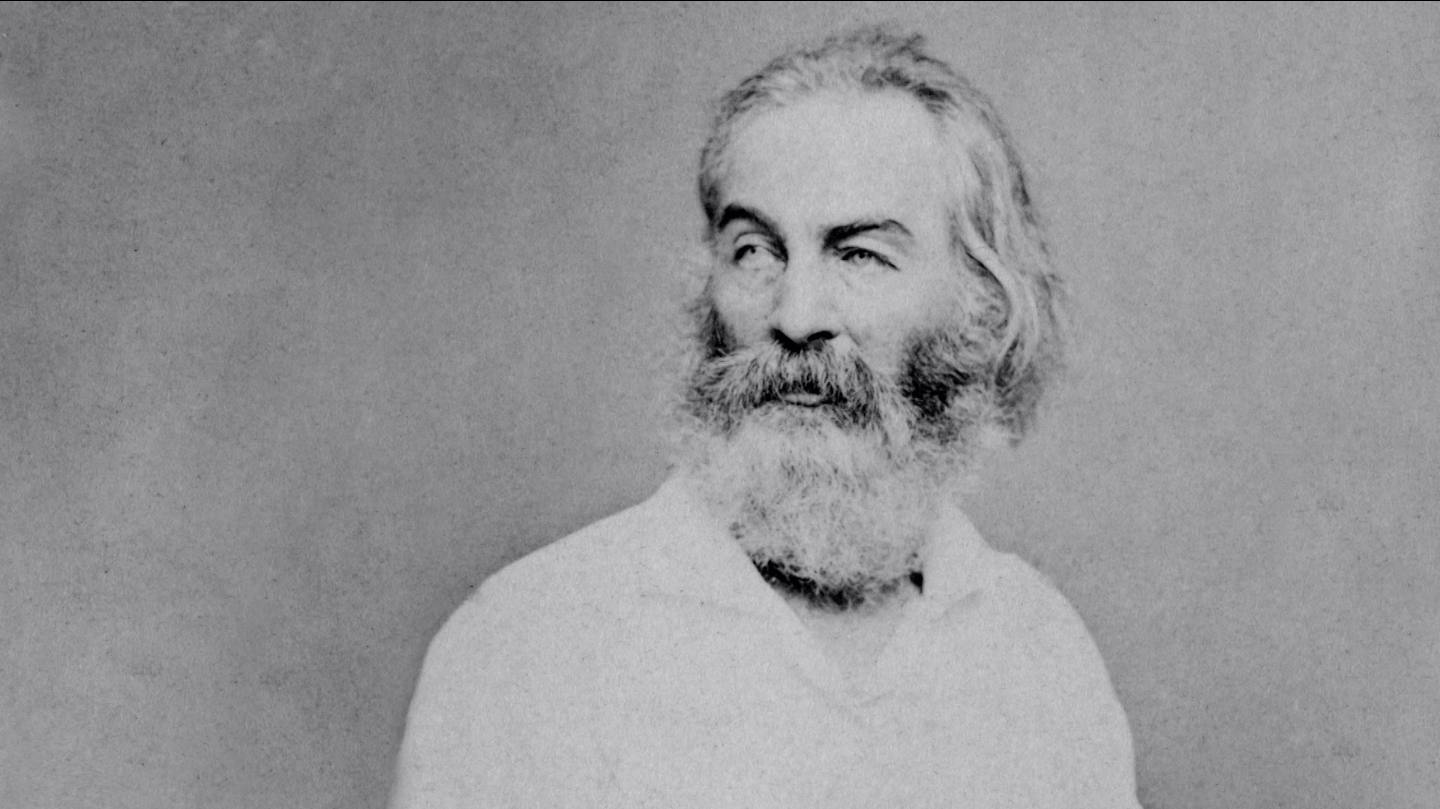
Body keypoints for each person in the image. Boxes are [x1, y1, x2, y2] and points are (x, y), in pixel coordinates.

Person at [391, 28, 1139, 809]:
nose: (796, 314)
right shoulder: (530, 644)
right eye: (755, 251)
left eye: (860, 256)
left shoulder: (1041, 654)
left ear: (978, 306)